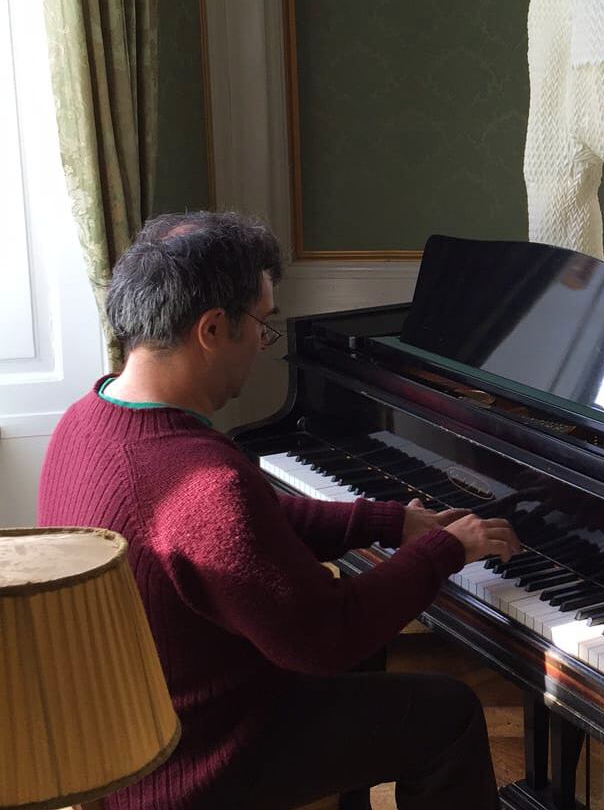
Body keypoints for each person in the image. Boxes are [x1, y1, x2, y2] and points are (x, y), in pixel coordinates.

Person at [38, 211, 520, 810]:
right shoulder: (200, 482)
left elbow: (252, 522)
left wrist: (389, 522)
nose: (263, 347)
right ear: (213, 330)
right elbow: (327, 638)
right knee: (450, 715)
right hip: (203, 759)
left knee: (371, 652)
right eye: (261, 327)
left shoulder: (89, 418)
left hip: (142, 723)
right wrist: (444, 549)